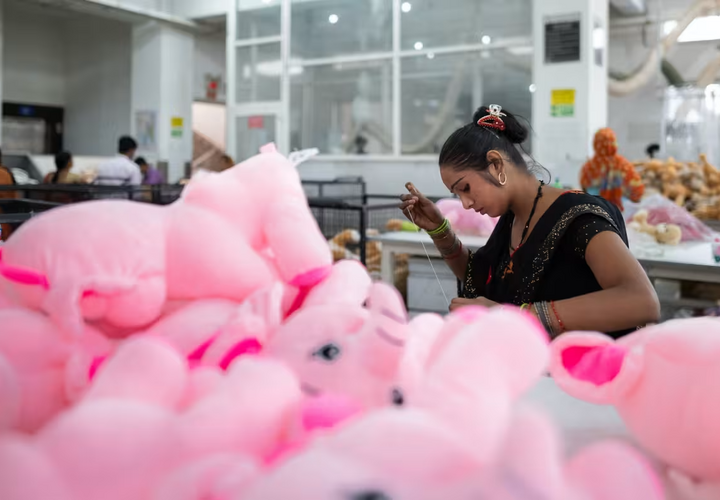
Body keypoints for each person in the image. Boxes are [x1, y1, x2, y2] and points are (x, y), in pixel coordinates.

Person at [399, 105, 660, 338]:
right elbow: (479, 279)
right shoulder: (513, 219)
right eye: (457, 195)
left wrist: (514, 315)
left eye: (465, 187)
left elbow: (642, 301)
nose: (465, 203)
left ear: (496, 164)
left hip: (585, 381)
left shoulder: (578, 216)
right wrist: (439, 229)